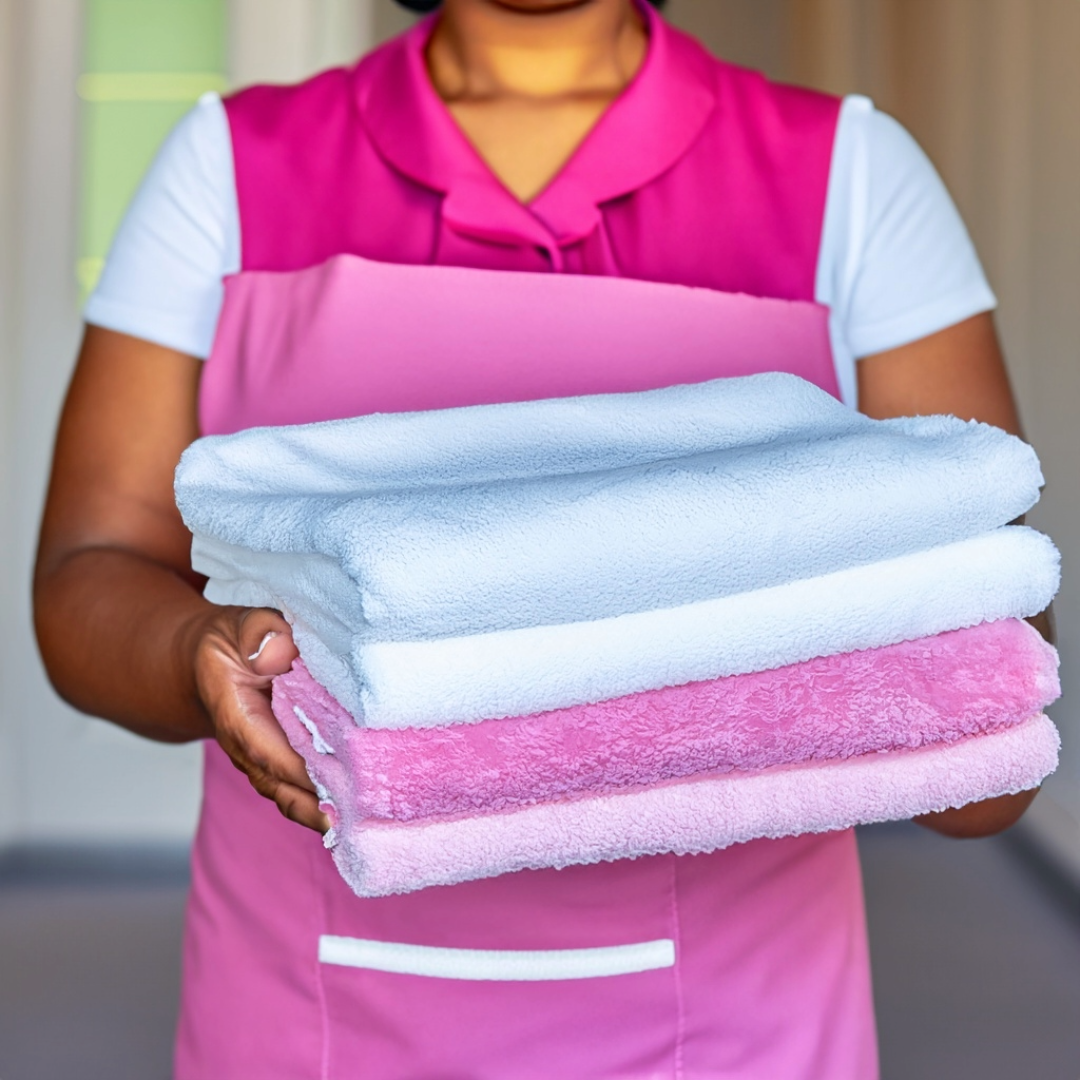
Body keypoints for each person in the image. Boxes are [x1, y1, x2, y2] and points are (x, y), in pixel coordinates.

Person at [34, 0, 1043, 1076]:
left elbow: (986, 721)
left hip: (737, 1023)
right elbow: (87, 573)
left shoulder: (847, 175)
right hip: (310, 1009)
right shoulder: (232, 167)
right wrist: (200, 660)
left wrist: (942, 701)